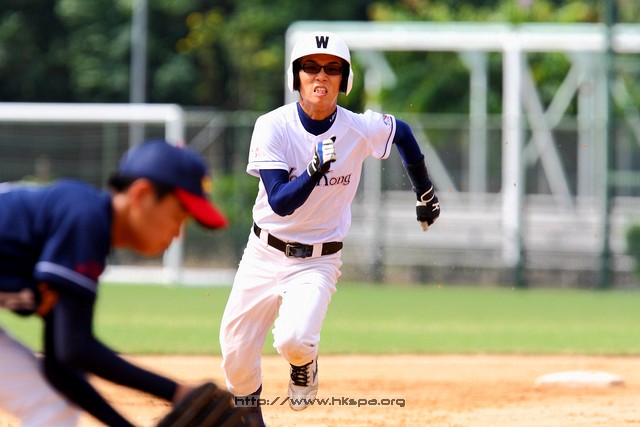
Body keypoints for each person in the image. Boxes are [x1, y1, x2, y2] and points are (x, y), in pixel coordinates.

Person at [219, 31, 441, 426]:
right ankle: (252, 420)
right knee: (235, 354)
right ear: (297, 76)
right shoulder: (273, 126)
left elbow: (402, 134)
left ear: (345, 79)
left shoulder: (358, 128)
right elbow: (281, 201)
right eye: (310, 66)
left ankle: (304, 364)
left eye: (332, 68)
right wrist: (314, 169)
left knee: (294, 340)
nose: (320, 75)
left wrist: (425, 193)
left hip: (317, 260)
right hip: (263, 253)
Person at [0, 139, 228, 427]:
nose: (177, 233)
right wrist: (176, 392)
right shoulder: (84, 216)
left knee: (51, 403)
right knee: (50, 404)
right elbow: (75, 347)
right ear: (141, 194)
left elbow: (62, 366)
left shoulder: (81, 224)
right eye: (178, 215)